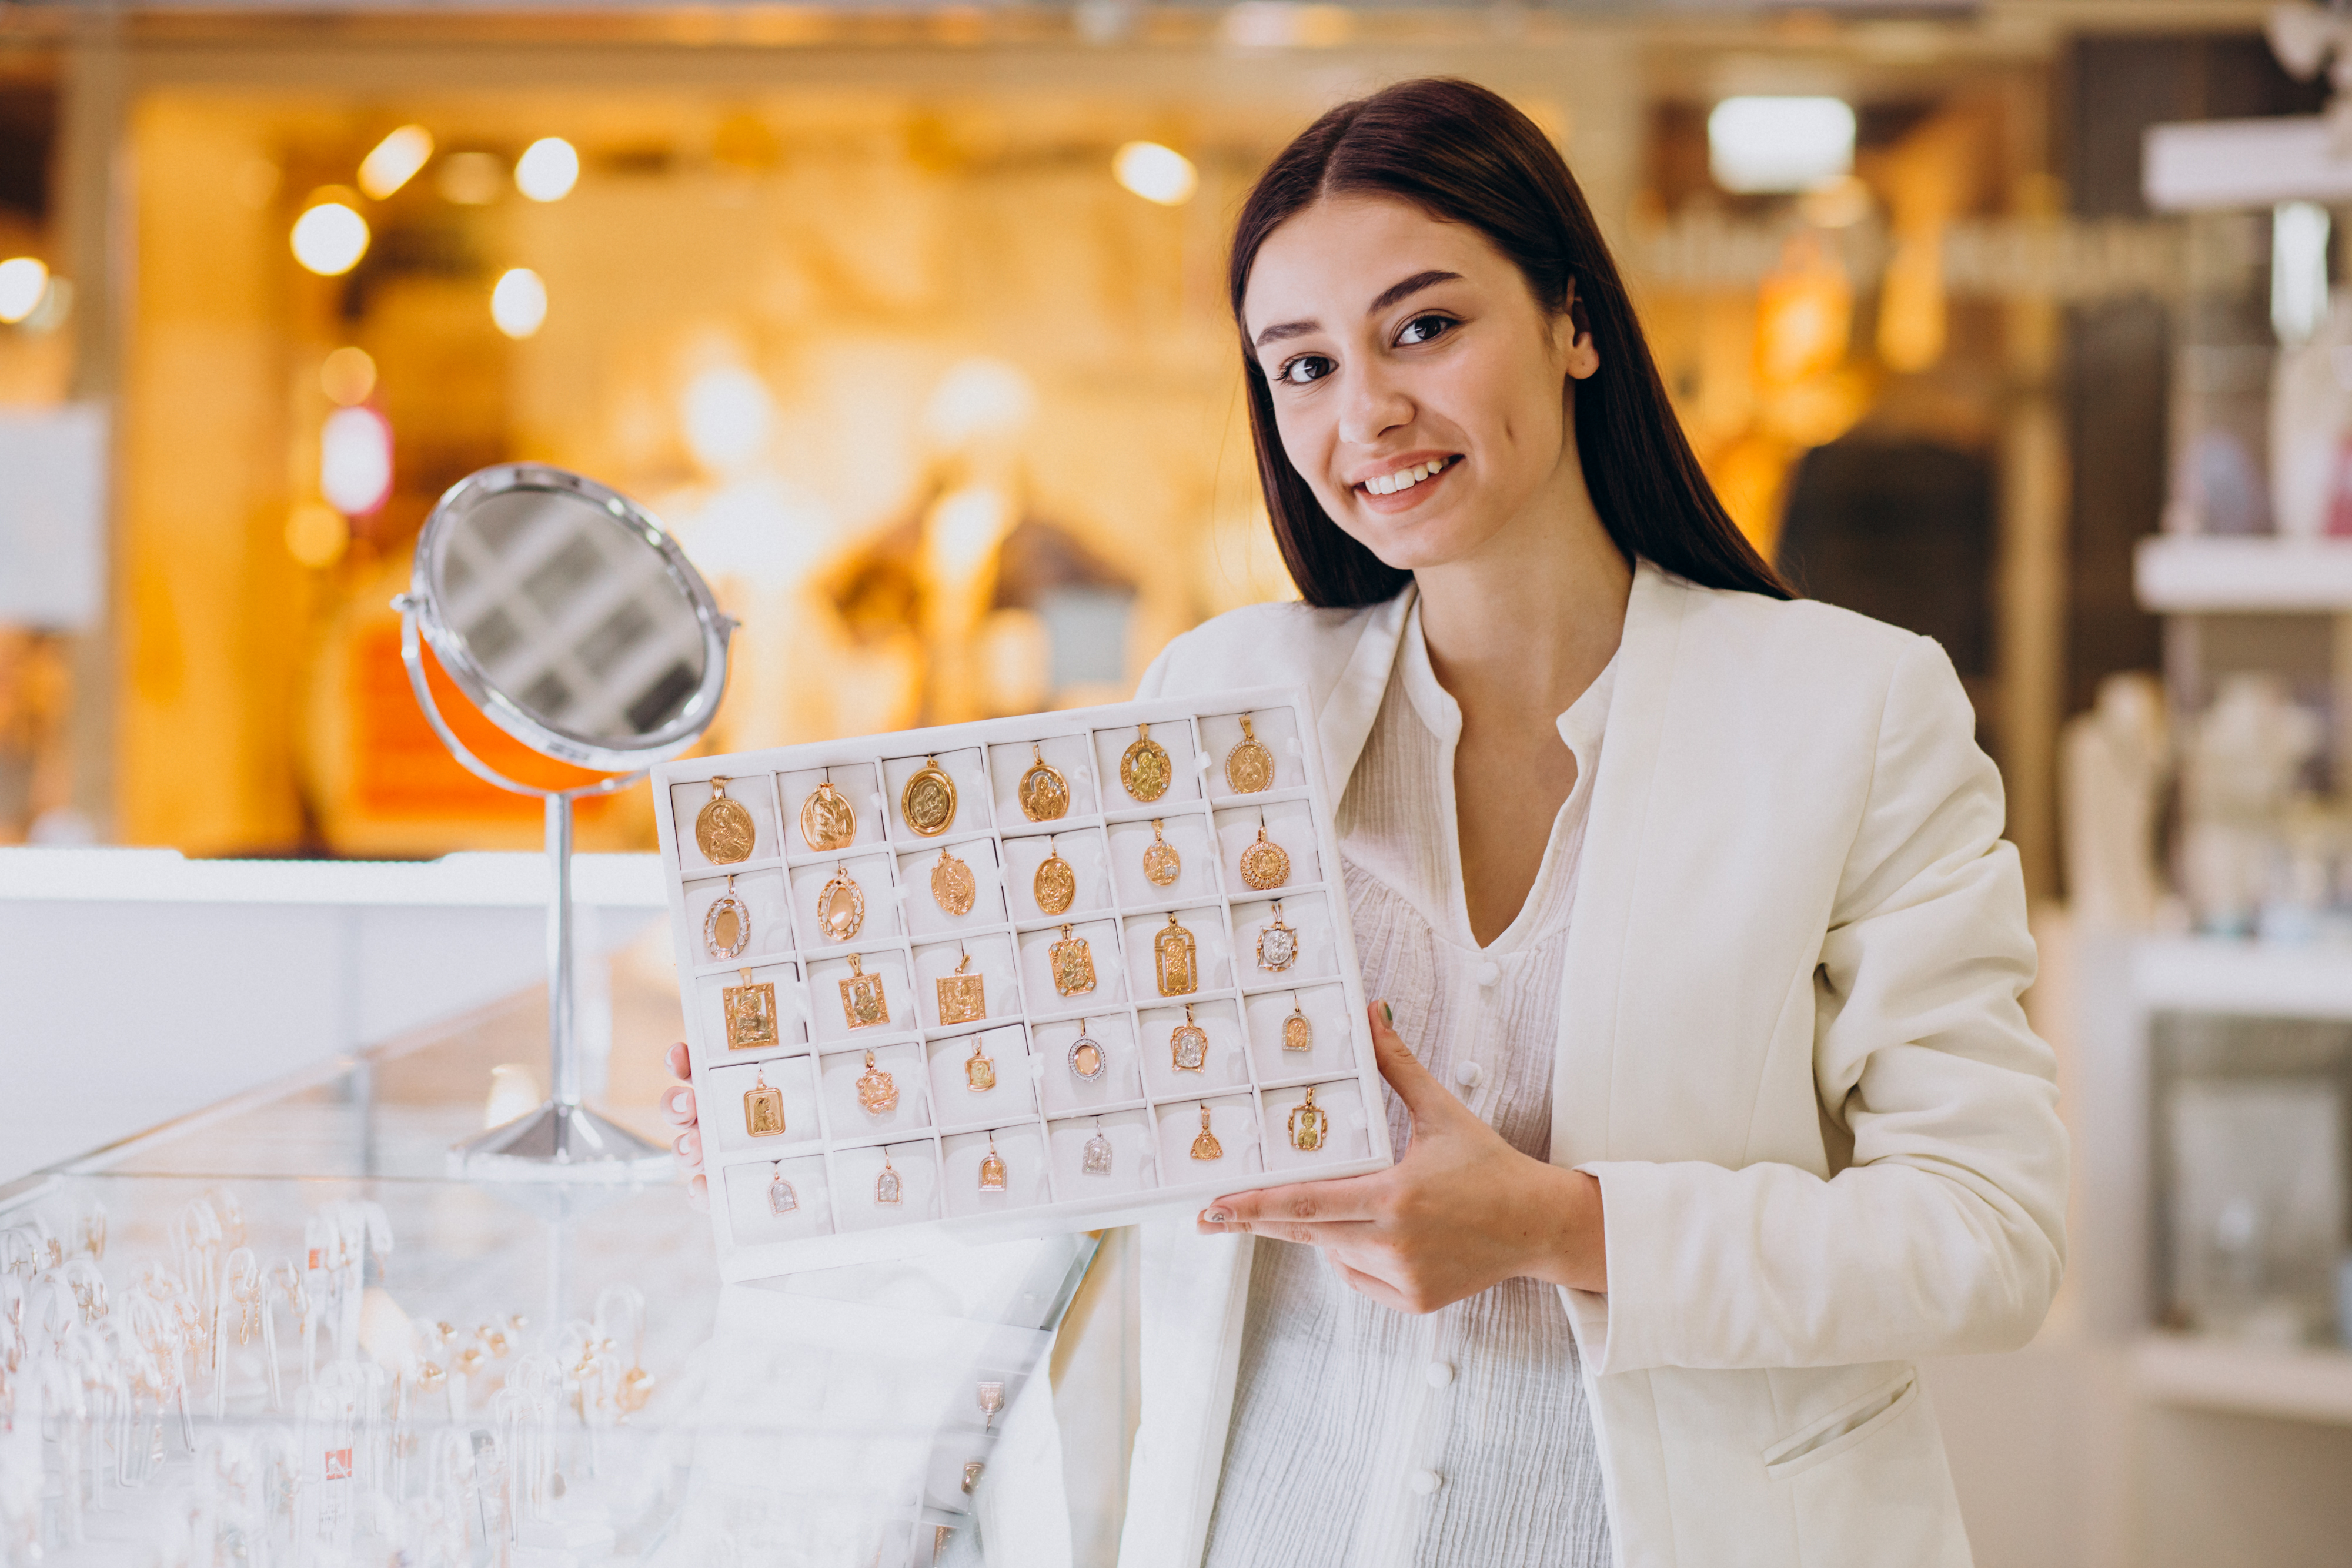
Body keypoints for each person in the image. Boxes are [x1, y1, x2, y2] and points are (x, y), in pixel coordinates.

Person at [662, 76, 2066, 1568]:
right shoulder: (1218, 700)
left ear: (1574, 320)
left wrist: (1556, 1223)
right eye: (1302, 367)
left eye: (1423, 328)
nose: (1365, 412)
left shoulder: (1846, 710)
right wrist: (816, 1105)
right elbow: (1089, 1112)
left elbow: (1984, 1234)